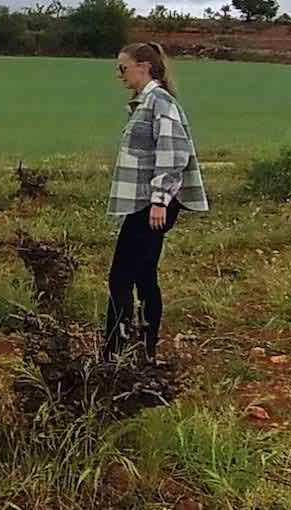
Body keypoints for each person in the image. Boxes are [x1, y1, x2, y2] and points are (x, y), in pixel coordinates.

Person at [105, 41, 208, 363]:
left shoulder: (160, 103)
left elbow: (173, 153)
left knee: (121, 277)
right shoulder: (146, 103)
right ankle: (142, 351)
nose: (119, 75)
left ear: (144, 67)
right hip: (147, 203)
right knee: (144, 274)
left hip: (152, 205)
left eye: (123, 68)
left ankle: (116, 352)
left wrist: (160, 201)